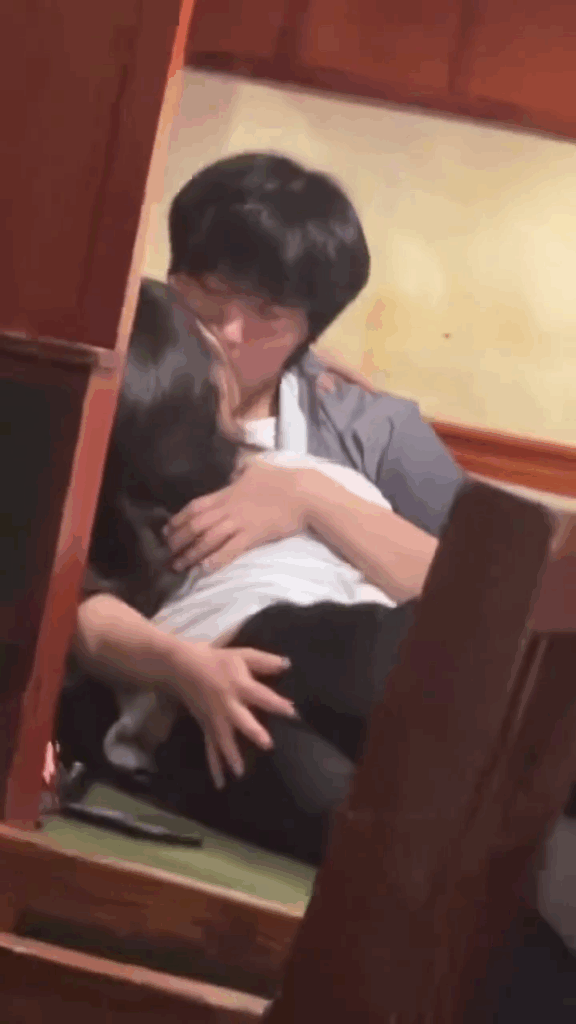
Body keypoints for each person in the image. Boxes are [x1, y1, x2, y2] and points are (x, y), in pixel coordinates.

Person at [59, 279, 421, 863]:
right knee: (397, 842)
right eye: (207, 337)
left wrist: (311, 500)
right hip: (225, 686)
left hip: (320, 654)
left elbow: (453, 590)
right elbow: (81, 619)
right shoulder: (103, 527)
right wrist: (185, 667)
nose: (227, 342)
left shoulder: (295, 472)